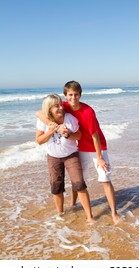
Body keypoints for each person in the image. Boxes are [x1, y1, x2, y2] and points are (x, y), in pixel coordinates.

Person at [37, 82, 120, 224]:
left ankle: (114, 213)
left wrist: (100, 158)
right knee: (79, 181)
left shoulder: (88, 111)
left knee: (104, 179)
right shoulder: (63, 106)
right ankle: (73, 204)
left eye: (76, 95)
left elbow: (95, 136)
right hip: (80, 148)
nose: (73, 98)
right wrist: (56, 129)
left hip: (97, 147)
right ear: (65, 96)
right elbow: (39, 113)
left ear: (80, 95)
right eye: (70, 95)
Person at [36, 94, 94, 223]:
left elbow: (78, 136)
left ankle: (90, 217)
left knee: (79, 184)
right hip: (53, 157)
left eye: (61, 104)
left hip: (71, 155)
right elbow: (39, 140)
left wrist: (68, 134)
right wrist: (51, 131)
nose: (61, 107)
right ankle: (60, 214)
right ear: (49, 108)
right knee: (56, 187)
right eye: (56, 106)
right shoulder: (43, 120)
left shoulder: (70, 119)